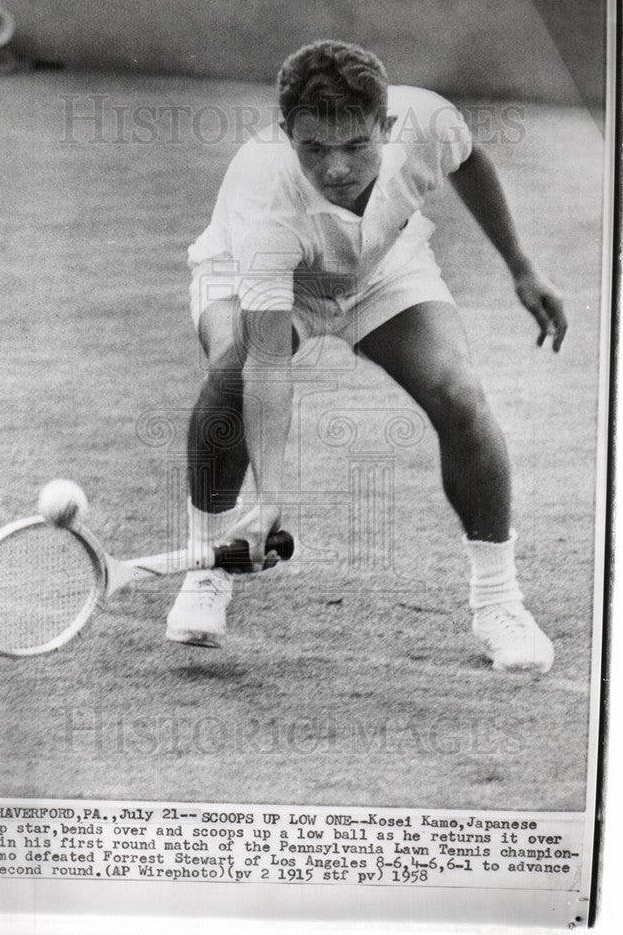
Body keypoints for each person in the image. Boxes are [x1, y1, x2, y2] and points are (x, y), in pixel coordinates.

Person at [165, 40, 567, 673]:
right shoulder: (265, 196)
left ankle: (499, 602)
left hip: (381, 271)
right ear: (286, 133)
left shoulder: (427, 120)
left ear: (387, 126)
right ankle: (208, 565)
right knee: (231, 375)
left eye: (355, 145)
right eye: (313, 148)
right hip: (264, 278)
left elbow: (471, 163)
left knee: (460, 394)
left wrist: (521, 265)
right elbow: (268, 362)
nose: (335, 170)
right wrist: (270, 495)